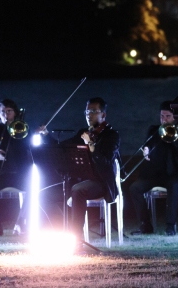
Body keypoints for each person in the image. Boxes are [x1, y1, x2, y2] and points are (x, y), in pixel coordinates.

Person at [40, 97, 120, 245]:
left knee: (78, 190)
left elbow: (106, 162)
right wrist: (46, 136)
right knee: (45, 193)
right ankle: (60, 232)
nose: (89, 115)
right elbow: (63, 148)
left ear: (104, 114)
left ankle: (76, 239)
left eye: (94, 111)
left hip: (102, 182)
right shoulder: (84, 132)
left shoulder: (111, 135)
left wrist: (90, 144)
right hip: (81, 179)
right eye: (87, 111)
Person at [129, 101, 178, 236]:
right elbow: (146, 145)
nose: (164, 119)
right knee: (134, 188)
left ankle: (170, 226)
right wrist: (145, 149)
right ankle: (145, 225)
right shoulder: (153, 130)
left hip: (174, 174)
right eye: (162, 116)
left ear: (175, 118)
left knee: (173, 186)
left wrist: (173, 138)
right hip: (153, 174)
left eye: (168, 116)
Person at [0, 99, 32, 236]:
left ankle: (21, 223)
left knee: (33, 187)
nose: (6, 114)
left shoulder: (22, 129)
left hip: (18, 172)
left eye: (9, 111)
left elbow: (29, 145)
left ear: (14, 113)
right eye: (2, 111)